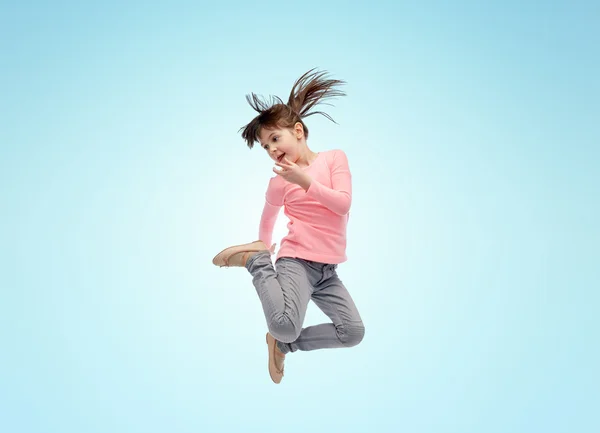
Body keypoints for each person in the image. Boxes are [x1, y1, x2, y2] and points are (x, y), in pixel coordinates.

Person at [212, 68, 365, 384]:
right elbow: (268, 218)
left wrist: (305, 181)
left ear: (298, 131)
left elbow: (343, 204)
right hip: (296, 262)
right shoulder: (279, 182)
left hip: (327, 272)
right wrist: (263, 247)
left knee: (352, 333)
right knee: (283, 322)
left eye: (274, 139)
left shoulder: (334, 159)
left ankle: (284, 345)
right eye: (265, 147)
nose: (271, 149)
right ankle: (257, 264)